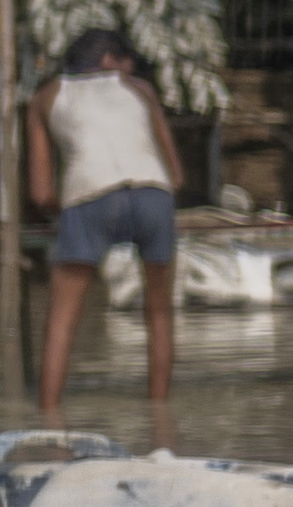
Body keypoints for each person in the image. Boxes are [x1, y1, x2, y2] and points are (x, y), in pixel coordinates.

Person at [23, 29, 182, 425]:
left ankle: (48, 420)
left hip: (90, 195)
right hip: (153, 194)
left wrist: (67, 211)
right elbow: (176, 175)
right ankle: (160, 418)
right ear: (110, 61)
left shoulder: (45, 97)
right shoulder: (140, 90)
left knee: (62, 320)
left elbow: (41, 191)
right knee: (159, 313)